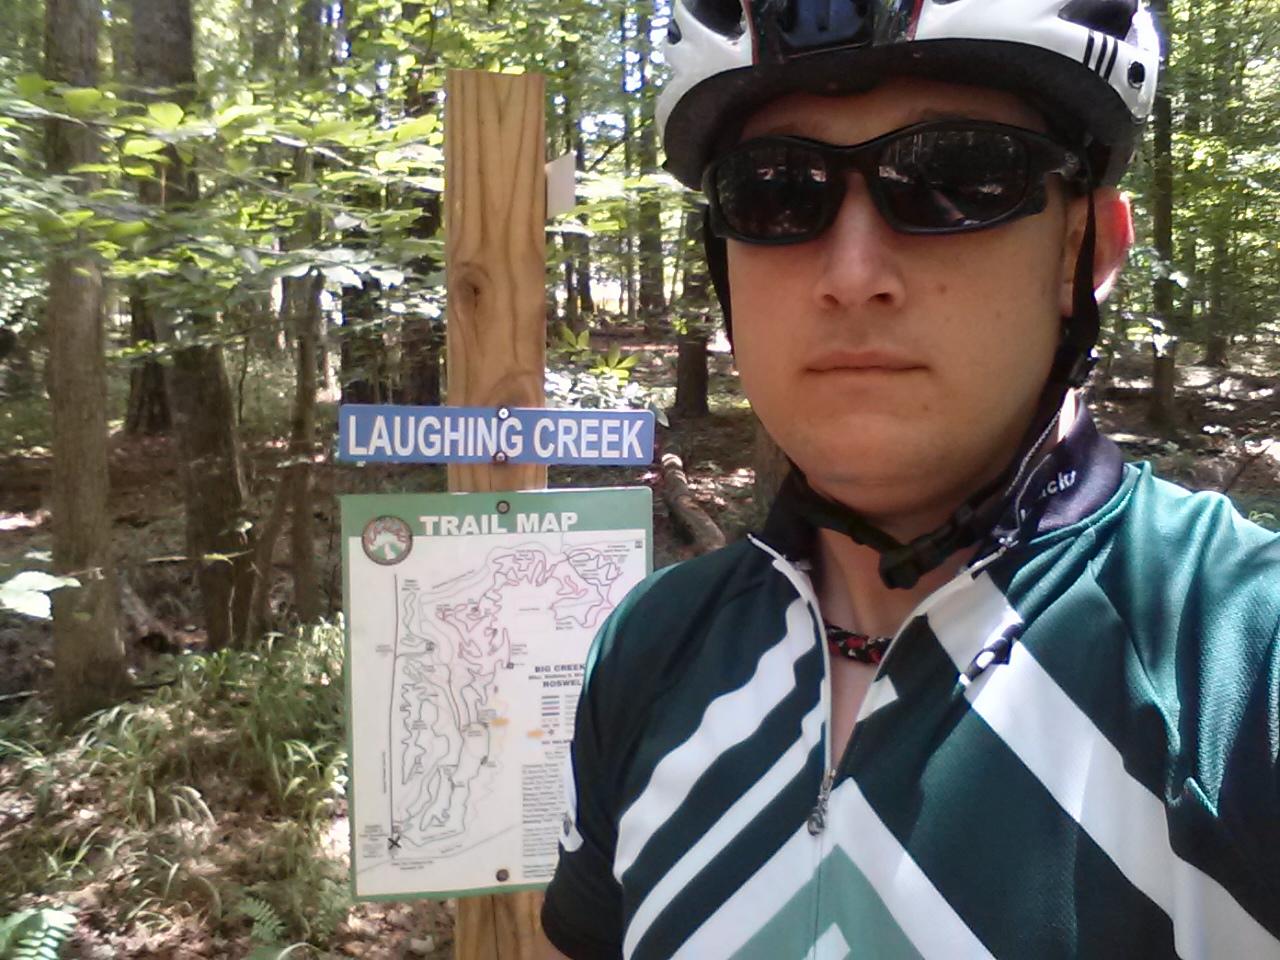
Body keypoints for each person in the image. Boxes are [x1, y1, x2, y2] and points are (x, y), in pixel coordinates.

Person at [539, 0, 1280, 957]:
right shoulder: (650, 651)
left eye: (958, 177)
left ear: (1086, 250)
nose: (852, 274)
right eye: (776, 193)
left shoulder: (1236, 658)